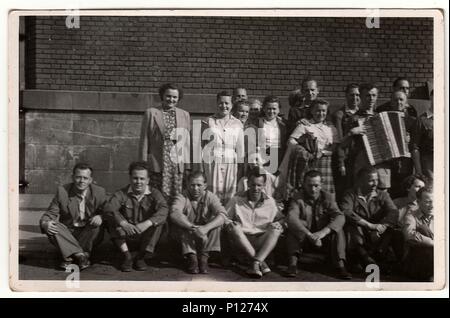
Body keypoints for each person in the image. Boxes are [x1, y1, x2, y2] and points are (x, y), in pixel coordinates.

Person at [39, 162, 107, 270]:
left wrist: (101, 216)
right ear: (72, 177)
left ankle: (69, 256)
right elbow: (50, 214)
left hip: (88, 233)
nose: (81, 181)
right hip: (69, 233)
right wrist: (45, 223)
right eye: (78, 177)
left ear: (90, 180)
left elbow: (108, 211)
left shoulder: (99, 192)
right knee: (53, 225)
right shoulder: (62, 191)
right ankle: (81, 256)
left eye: (85, 178)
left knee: (97, 224)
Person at [285, 170, 352, 279]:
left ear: (321, 185)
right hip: (305, 237)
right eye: (309, 185)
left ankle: (340, 265)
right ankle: (292, 264)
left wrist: (323, 233)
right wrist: (309, 235)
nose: (312, 189)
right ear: (304, 184)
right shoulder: (297, 197)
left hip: (323, 239)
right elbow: (291, 217)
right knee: (293, 227)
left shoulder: (328, 197)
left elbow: (340, 216)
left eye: (316, 185)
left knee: (337, 229)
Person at [104, 161, 169, 272]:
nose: (138, 182)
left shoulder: (154, 193)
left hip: (145, 235)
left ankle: (141, 257)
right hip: (126, 234)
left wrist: (147, 223)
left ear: (148, 180)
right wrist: (123, 223)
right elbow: (109, 208)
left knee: (160, 222)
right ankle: (127, 256)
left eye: (142, 179)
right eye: (135, 178)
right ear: (130, 178)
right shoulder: (121, 193)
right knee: (111, 219)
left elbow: (164, 209)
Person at [224, 170, 285, 278]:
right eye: (253, 184)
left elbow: (281, 218)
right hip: (242, 240)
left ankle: (256, 262)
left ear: (264, 186)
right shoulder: (237, 199)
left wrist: (278, 223)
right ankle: (261, 261)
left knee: (276, 230)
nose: (255, 188)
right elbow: (224, 217)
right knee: (235, 228)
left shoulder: (270, 202)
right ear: (247, 184)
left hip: (261, 240)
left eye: (259, 185)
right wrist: (230, 223)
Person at [340, 167, 400, 272]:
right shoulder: (350, 194)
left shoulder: (383, 195)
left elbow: (393, 212)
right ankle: (366, 259)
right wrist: (369, 225)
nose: (375, 184)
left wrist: (380, 227)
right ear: (360, 181)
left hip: (377, 234)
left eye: (376, 180)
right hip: (359, 232)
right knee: (351, 227)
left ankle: (376, 260)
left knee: (393, 232)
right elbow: (346, 211)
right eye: (371, 180)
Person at [138, 83, 191, 201]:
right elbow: (144, 139)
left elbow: (186, 143)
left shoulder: (184, 114)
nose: (171, 99)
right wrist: (142, 164)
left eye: (174, 97)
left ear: (178, 98)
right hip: (158, 160)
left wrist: (187, 166)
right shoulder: (151, 113)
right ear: (162, 96)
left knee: (177, 194)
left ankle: (174, 217)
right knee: (156, 194)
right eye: (168, 96)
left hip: (176, 162)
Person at [170, 171, 226, 274]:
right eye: (192, 185)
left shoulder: (211, 196)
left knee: (217, 223)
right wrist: (193, 227)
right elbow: (174, 213)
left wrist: (206, 228)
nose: (195, 188)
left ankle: (204, 258)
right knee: (181, 221)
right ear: (187, 185)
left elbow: (223, 214)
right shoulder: (182, 196)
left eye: (199, 185)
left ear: (205, 185)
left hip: (205, 236)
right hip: (188, 234)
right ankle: (192, 258)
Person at [287, 99, 340, 195]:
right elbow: (290, 141)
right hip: (308, 163)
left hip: (325, 163)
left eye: (323, 111)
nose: (321, 113)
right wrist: (302, 151)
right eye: (318, 110)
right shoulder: (305, 125)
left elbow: (334, 147)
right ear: (312, 111)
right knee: (307, 191)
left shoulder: (331, 128)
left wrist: (323, 153)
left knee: (325, 193)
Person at [201, 91, 245, 206]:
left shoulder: (238, 123)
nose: (223, 106)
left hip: (231, 164)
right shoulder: (208, 121)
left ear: (232, 105)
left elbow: (240, 149)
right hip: (212, 163)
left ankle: (226, 220)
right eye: (221, 103)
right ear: (216, 103)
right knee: (212, 194)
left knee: (230, 194)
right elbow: (201, 146)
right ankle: (212, 218)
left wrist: (240, 168)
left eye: (227, 103)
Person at [331, 83, 361, 199]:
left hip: (359, 158)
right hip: (346, 159)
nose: (354, 98)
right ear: (346, 96)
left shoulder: (362, 113)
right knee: (344, 190)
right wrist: (341, 163)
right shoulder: (339, 115)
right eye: (351, 95)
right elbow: (339, 141)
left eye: (357, 95)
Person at [401, 186, 433, 281]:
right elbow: (409, 235)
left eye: (434, 201)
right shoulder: (411, 215)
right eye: (428, 202)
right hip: (418, 262)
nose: (432, 205)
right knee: (423, 229)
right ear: (418, 202)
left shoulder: (442, 214)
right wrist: (433, 242)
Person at [411, 90, 434, 180]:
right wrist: (419, 170)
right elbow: (414, 147)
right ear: (431, 98)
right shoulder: (421, 120)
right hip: (429, 165)